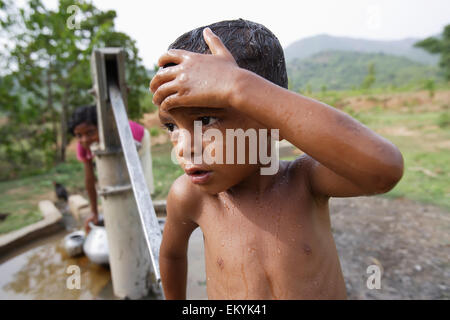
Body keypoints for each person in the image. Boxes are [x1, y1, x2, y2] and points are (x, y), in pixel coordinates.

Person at [149, 19, 404, 299]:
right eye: (172, 126)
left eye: (205, 120)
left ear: (270, 117)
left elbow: (384, 169)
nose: (184, 148)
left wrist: (238, 85)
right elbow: (172, 255)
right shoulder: (190, 197)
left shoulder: (305, 182)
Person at [68, 105, 155, 233]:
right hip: (115, 148)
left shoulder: (116, 135)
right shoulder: (83, 145)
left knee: (140, 183)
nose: (85, 139)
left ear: (102, 128)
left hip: (137, 140)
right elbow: (90, 179)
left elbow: (129, 174)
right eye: (79, 135)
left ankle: (146, 223)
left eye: (90, 132)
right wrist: (94, 212)